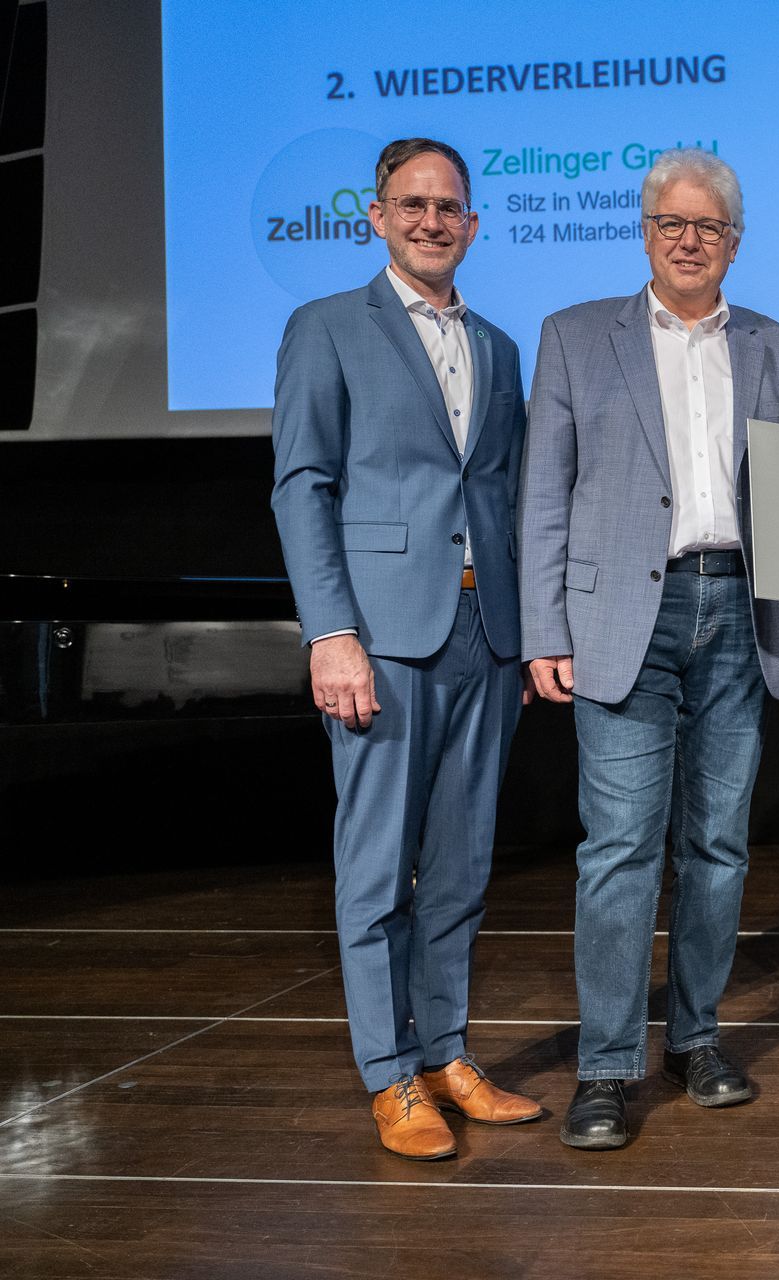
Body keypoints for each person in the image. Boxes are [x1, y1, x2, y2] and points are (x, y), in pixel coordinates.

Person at [518, 149, 779, 1150]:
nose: (691, 241)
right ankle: (606, 1066)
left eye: (709, 227)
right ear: (645, 233)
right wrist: (543, 628)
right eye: (672, 224)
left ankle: (696, 1037)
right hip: (619, 621)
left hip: (740, 610)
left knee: (719, 845)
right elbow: (543, 494)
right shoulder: (574, 336)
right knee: (619, 850)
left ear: (736, 241)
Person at [270, 137, 540, 1160]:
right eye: (413, 204)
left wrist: (524, 635)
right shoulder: (328, 325)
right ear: (377, 216)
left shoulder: (499, 347)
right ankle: (390, 1074)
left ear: (473, 224)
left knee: (463, 867)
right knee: (378, 867)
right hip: (380, 636)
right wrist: (331, 632)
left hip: (486, 633)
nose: (433, 221)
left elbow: (502, 495)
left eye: (450, 207)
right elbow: (303, 485)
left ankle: (447, 1053)